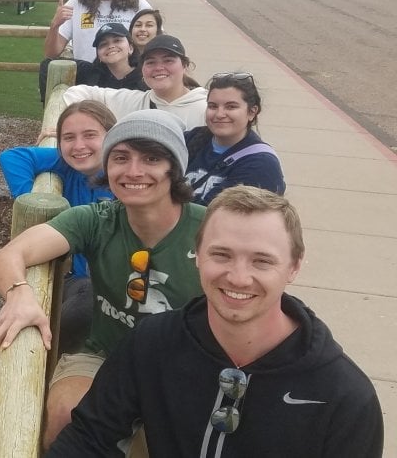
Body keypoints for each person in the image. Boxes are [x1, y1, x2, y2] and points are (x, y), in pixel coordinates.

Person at [48, 186, 384, 457]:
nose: (238, 277)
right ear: (198, 255)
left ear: (294, 267)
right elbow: (89, 438)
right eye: (221, 255)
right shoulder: (152, 343)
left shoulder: (344, 397)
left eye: (262, 261)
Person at [0, 109, 207, 448]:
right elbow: (7, 256)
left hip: (185, 364)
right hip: (105, 354)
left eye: (151, 158)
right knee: (64, 416)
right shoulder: (97, 219)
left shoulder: (209, 229)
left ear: (174, 168)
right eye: (121, 157)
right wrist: (20, 294)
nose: (133, 171)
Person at [0, 101, 118, 353]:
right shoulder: (67, 166)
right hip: (79, 280)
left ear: (112, 136)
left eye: (90, 135)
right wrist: (32, 201)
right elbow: (12, 157)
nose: (79, 146)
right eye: (69, 137)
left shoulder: (125, 178)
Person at [38, 0, 151, 102]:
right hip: (91, 80)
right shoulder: (76, 4)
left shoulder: (138, 5)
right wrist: (55, 25)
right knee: (47, 66)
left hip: (129, 81)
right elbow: (51, 53)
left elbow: (155, 44)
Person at [62, 34, 208, 129]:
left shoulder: (207, 108)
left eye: (168, 60)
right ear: (142, 70)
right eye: (150, 62)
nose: (159, 68)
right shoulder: (132, 101)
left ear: (184, 66)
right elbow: (75, 93)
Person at [186, 71, 285, 205]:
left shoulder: (261, 165)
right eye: (213, 106)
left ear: (252, 112)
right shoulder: (191, 138)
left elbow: (217, 215)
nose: (219, 114)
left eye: (231, 107)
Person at [75, 23, 145, 91]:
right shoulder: (89, 74)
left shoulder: (145, 77)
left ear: (130, 48)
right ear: (98, 55)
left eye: (117, 40)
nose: (111, 46)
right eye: (103, 44)